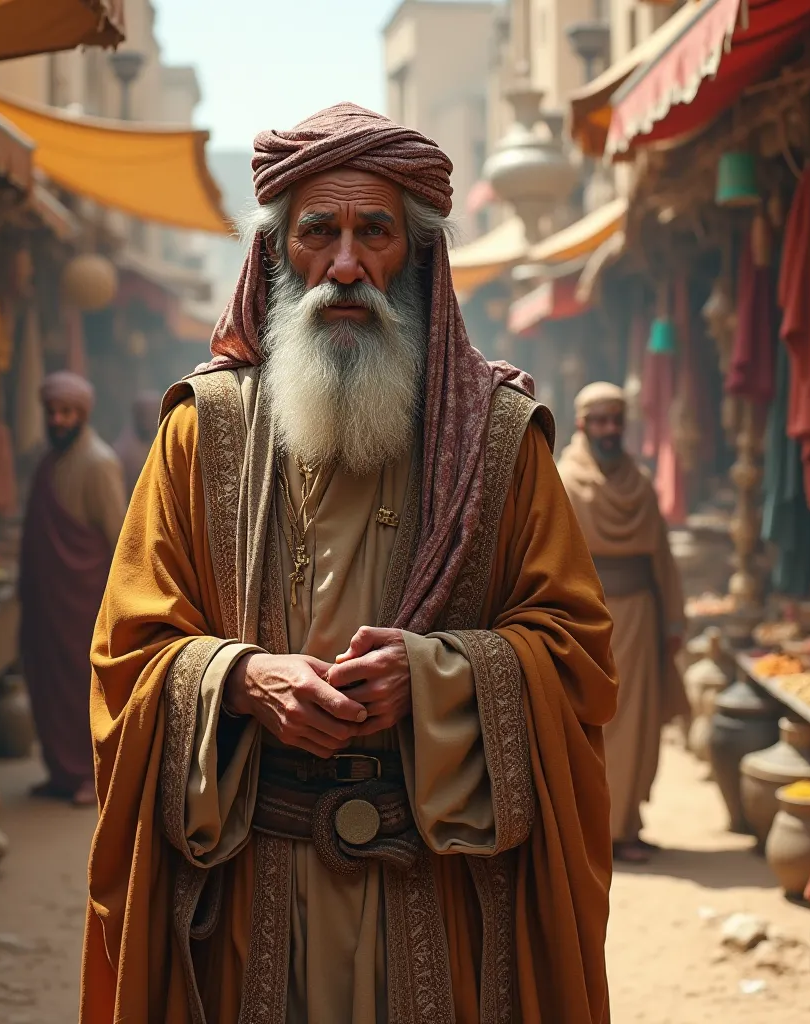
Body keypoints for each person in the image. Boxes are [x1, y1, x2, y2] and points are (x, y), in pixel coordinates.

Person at [82, 104, 618, 1024]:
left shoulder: (499, 442)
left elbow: (577, 656)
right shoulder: (197, 435)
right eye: (317, 232)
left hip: (443, 895)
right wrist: (241, 677)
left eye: (375, 232)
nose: (344, 265)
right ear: (275, 256)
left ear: (419, 257)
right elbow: (129, 653)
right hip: (254, 887)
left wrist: (437, 677)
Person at [558, 382, 688, 864]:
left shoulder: (641, 482)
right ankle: (596, 832)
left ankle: (627, 824)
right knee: (599, 724)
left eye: (617, 419)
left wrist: (674, 618)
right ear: (582, 425)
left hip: (643, 617)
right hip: (587, 619)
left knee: (639, 726)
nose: (610, 430)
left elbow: (662, 558)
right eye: (600, 421)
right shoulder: (565, 481)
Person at [19, 371, 126, 807]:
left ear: (82, 414)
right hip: (48, 601)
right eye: (52, 412)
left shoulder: (98, 462)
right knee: (47, 682)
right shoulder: (48, 461)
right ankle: (61, 771)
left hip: (83, 601)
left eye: (66, 412)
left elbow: (120, 537)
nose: (58, 420)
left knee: (85, 686)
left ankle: (88, 773)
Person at [112, 390, 163, 494]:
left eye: (155, 413)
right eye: (147, 414)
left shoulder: (158, 440)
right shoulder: (125, 451)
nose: (151, 419)